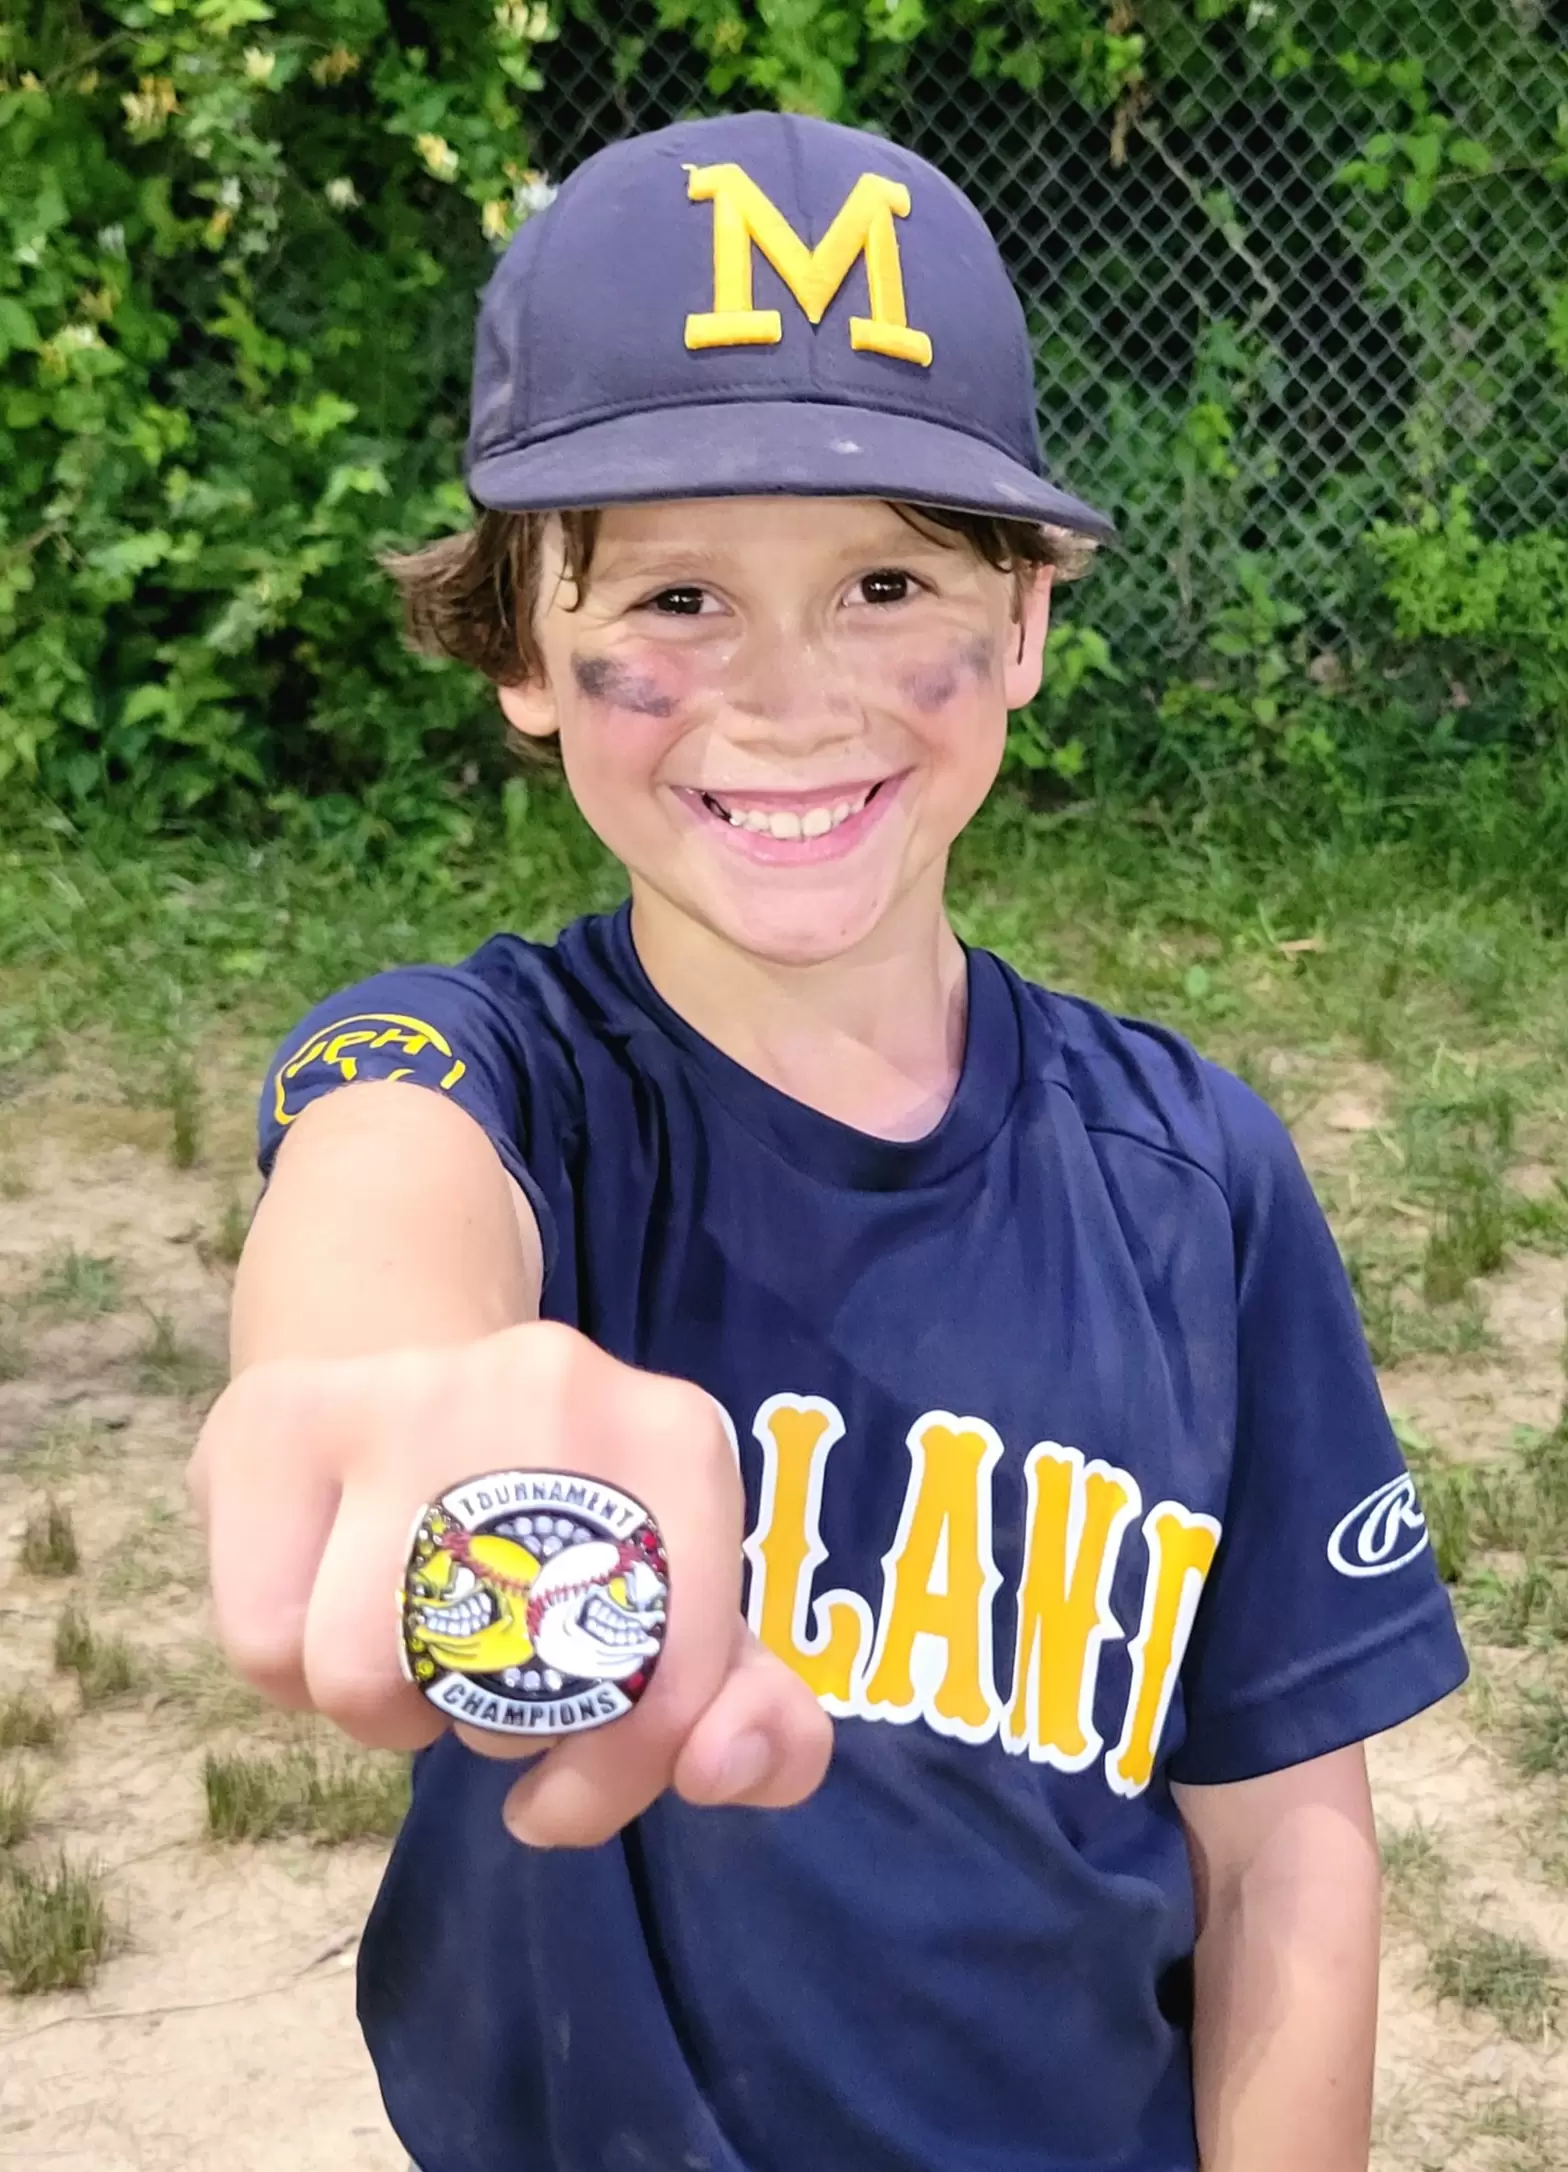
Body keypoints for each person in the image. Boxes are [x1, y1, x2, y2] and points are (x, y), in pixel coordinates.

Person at [191, 108, 1468, 2172]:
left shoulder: (1193, 1179)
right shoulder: (488, 1073)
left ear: (1025, 621)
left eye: (886, 582)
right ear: (520, 646)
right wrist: (400, 1373)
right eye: (678, 595)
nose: (789, 702)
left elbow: (1283, 1842)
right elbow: (380, 1186)